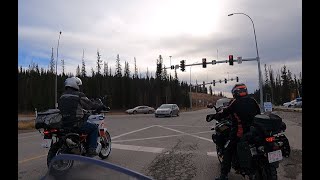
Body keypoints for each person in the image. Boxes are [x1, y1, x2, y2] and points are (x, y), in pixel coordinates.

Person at [206, 83, 261, 180]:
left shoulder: (235, 103)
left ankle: (224, 176)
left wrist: (214, 116)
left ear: (235, 93)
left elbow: (224, 113)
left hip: (240, 133)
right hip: (254, 131)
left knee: (228, 150)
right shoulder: (253, 101)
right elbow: (258, 113)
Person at [58, 76, 105, 157]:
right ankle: (92, 149)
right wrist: (100, 106)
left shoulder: (62, 96)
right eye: (78, 85)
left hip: (63, 123)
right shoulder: (79, 95)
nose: (79, 87)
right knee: (94, 128)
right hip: (75, 123)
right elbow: (90, 105)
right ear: (74, 84)